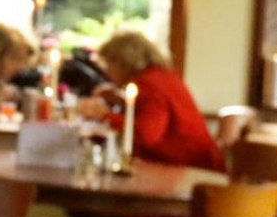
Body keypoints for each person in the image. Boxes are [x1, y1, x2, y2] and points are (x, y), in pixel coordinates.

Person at [82, 30, 224, 170]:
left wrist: (104, 115)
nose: (107, 71)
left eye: (109, 64)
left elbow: (147, 134)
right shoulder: (162, 75)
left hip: (189, 169)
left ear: (122, 62)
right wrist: (120, 100)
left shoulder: (148, 84)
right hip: (196, 164)